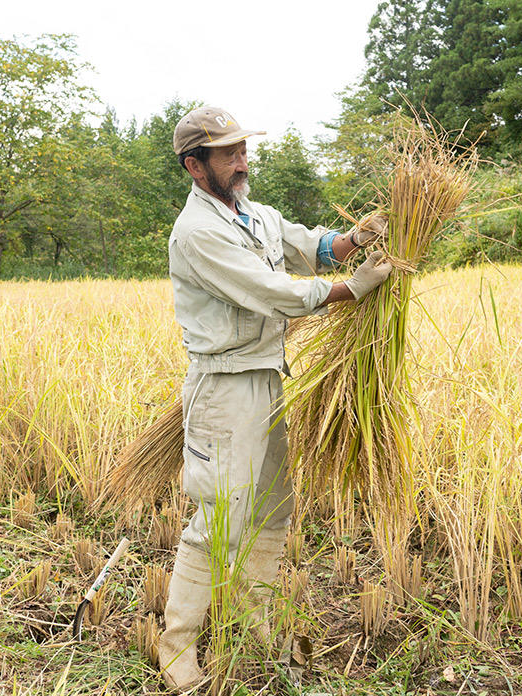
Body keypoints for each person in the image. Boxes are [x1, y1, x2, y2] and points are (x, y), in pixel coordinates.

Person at [160, 106, 391, 690]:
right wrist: (350, 290)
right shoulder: (198, 232)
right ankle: (176, 646)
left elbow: (311, 246)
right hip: (224, 387)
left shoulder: (255, 215)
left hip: (269, 377)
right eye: (228, 153)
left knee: (272, 508)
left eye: (242, 149)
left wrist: (355, 239)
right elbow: (271, 291)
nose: (242, 161)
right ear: (195, 165)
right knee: (220, 515)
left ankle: (253, 614)